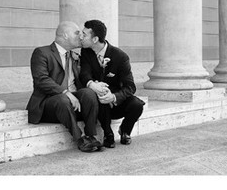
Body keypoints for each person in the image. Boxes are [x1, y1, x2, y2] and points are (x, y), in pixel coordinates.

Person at [26, 21, 103, 152]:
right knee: (62, 99)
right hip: (48, 104)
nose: (81, 36)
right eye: (77, 32)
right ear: (66, 35)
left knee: (88, 93)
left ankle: (91, 135)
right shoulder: (42, 52)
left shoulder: (75, 56)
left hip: (72, 103)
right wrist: (66, 92)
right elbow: (41, 80)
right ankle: (80, 139)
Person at [79, 19, 145, 148]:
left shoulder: (121, 57)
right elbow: (84, 74)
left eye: (84, 34)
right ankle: (108, 134)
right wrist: (92, 85)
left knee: (137, 105)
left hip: (117, 101)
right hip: (100, 102)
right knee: (100, 96)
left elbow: (130, 87)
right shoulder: (86, 52)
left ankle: (125, 130)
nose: (81, 37)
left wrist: (114, 97)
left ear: (95, 39)